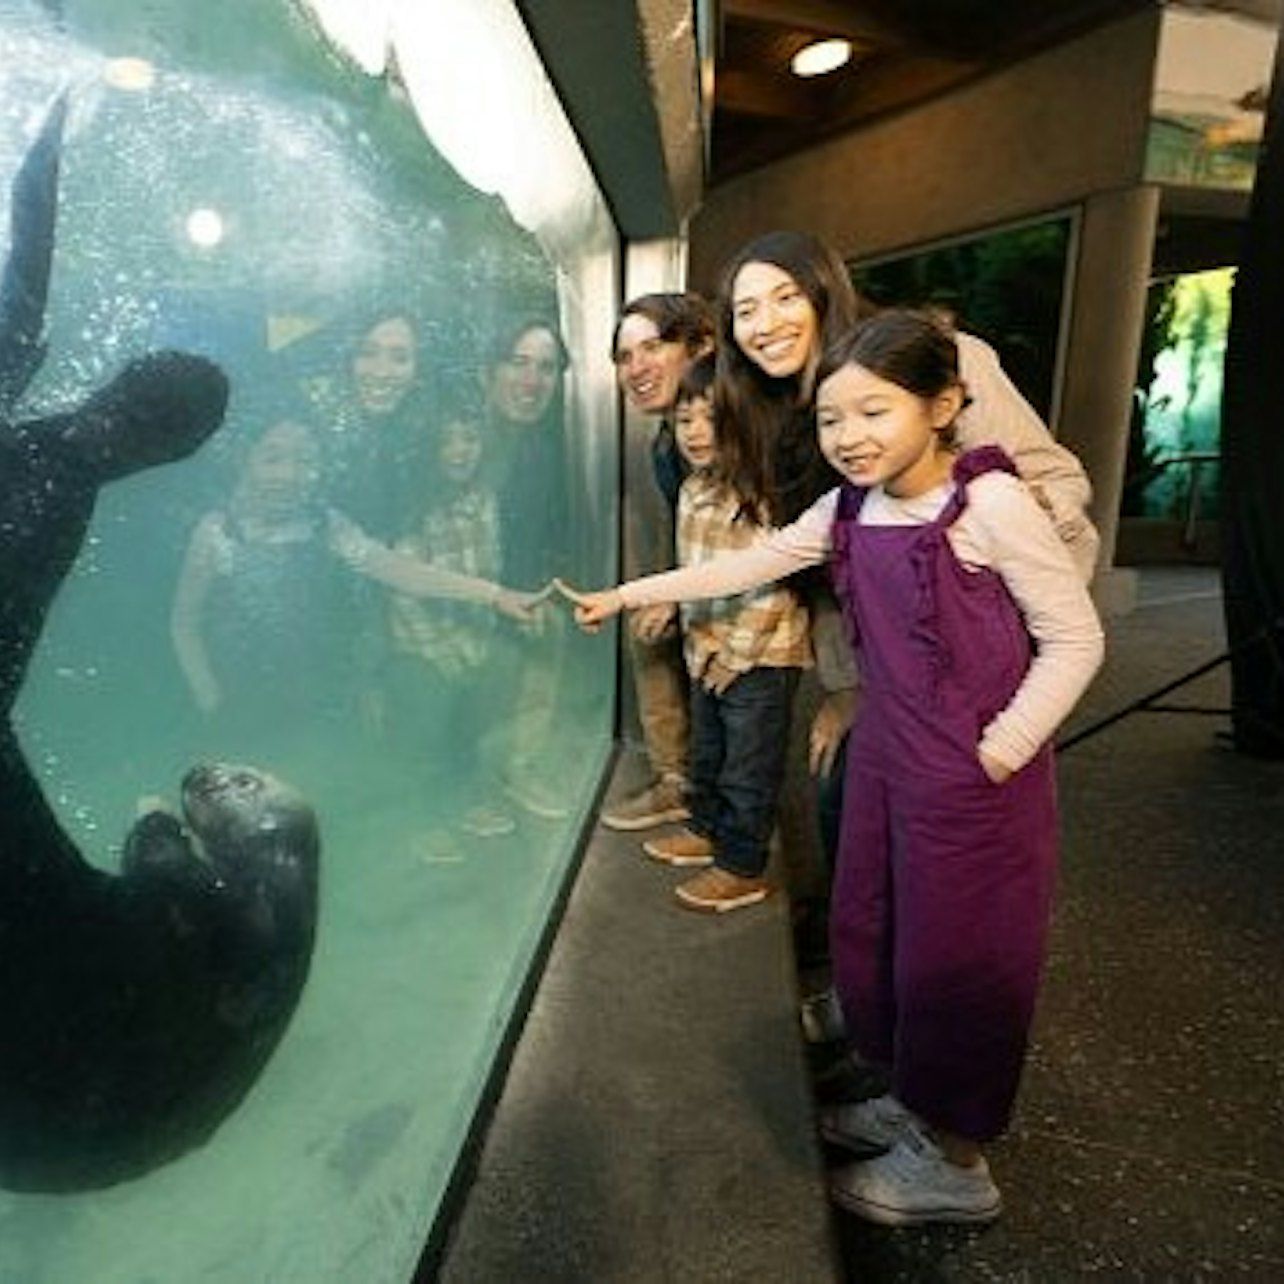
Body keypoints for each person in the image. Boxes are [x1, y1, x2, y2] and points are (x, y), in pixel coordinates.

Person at [562, 310, 1104, 1225]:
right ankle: (907, 1103)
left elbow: (1074, 638)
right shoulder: (850, 506)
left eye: (874, 412)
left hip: (974, 784)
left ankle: (955, 1165)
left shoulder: (990, 503)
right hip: (889, 764)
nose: (848, 436)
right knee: (880, 933)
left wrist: (1000, 751)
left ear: (943, 405)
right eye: (830, 418)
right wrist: (628, 594)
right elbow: (754, 561)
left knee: (958, 965)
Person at [172, 413, 537, 746]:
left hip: (318, 707)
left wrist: (494, 594)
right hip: (241, 707)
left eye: (305, 461)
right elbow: (184, 624)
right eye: (272, 459)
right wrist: (210, 699)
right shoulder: (217, 533)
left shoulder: (327, 525)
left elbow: (400, 570)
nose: (289, 474)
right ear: (245, 460)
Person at [638, 355, 810, 912]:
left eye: (709, 417)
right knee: (708, 751)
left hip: (759, 656)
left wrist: (736, 654)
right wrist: (677, 612)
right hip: (705, 649)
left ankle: (742, 866)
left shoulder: (762, 492)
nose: (693, 431)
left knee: (748, 767)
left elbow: (777, 585)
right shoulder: (692, 489)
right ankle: (705, 830)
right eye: (683, 419)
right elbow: (696, 571)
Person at [602, 292, 717, 831]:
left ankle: (713, 815)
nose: (636, 368)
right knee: (644, 625)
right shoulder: (666, 444)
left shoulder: (741, 426)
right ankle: (676, 780)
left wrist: (678, 594)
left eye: (652, 347)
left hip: (779, 602)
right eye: (625, 357)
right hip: (711, 580)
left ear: (701, 348)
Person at [385, 396, 519, 848]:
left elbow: (490, 574)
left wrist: (482, 642)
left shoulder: (484, 499)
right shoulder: (411, 510)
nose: (461, 451)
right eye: (447, 441)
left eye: (470, 439)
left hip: (473, 637)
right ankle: (420, 818)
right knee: (426, 712)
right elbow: (409, 595)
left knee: (494, 689)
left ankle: (471, 797)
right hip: (420, 647)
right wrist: (449, 655)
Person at [483, 316, 574, 819]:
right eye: (518, 362)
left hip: (515, 594)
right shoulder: (460, 437)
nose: (531, 380)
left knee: (549, 627)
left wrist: (537, 591)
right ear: (490, 371)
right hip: (451, 597)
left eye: (546, 367)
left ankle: (518, 768)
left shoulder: (543, 447)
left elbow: (539, 539)